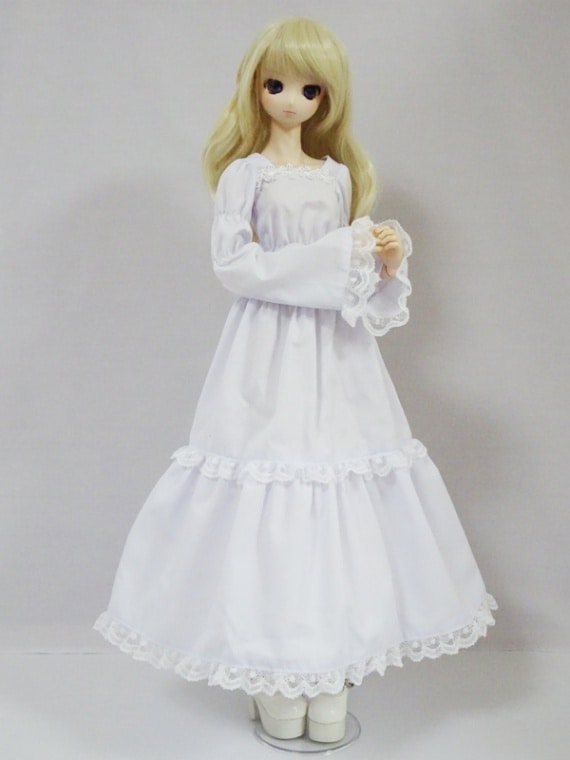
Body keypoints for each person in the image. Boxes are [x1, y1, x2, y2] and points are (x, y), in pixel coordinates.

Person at [94, 17, 497, 744]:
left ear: (326, 98)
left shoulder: (338, 175)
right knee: (267, 482)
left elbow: (360, 293)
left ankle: (328, 666)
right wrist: (336, 257)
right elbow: (236, 267)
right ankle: (270, 667)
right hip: (265, 351)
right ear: (256, 88)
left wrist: (380, 260)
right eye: (277, 84)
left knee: (340, 490)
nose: (291, 99)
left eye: (309, 89)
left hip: (338, 356)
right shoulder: (246, 174)